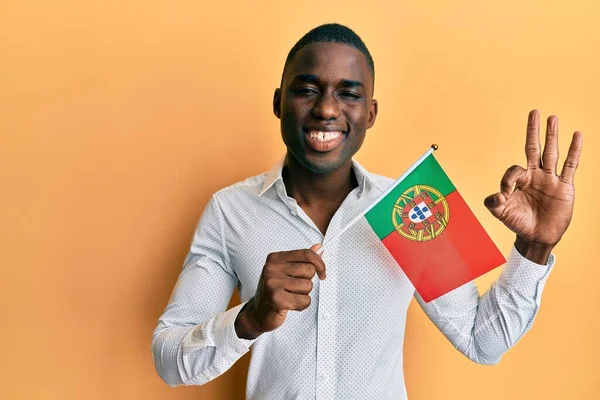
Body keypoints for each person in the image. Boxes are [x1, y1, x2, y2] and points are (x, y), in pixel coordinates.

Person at [152, 23, 583, 399]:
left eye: (349, 94)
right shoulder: (231, 211)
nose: (325, 108)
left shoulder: (413, 205)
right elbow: (168, 360)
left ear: (370, 113)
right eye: (306, 90)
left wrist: (535, 246)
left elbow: (481, 342)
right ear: (278, 102)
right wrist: (249, 320)